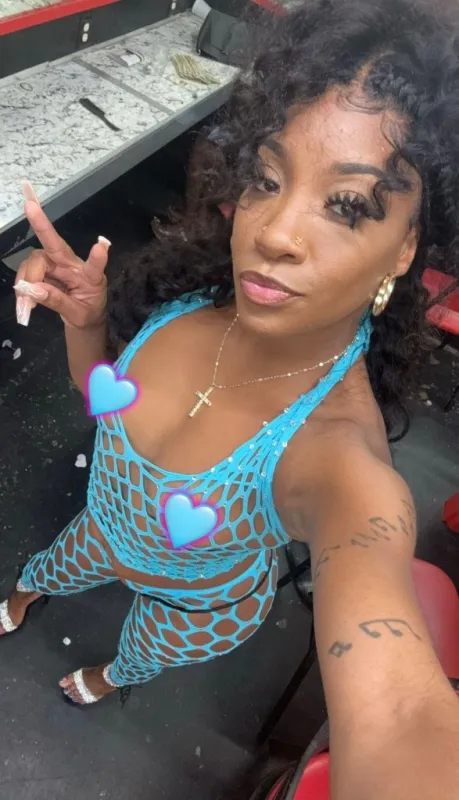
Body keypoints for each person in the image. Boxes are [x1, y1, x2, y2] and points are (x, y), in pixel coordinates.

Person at [4, 0, 459, 795]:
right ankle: (19, 599)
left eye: (346, 205)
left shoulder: (338, 463)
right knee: (51, 565)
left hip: (196, 605)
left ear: (406, 247)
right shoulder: (190, 301)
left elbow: (396, 715)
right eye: (266, 179)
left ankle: (107, 680)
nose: (273, 232)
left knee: (143, 650)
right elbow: (107, 404)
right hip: (105, 526)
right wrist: (86, 322)